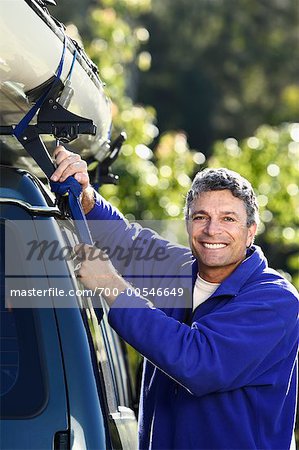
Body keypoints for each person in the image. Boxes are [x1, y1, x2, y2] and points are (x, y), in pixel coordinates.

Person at [51, 146, 298, 450]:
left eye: (229, 219)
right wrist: (85, 194)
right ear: (187, 223)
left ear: (251, 232)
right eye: (201, 216)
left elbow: (199, 362)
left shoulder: (274, 300)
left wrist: (110, 285)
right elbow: (123, 241)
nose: (212, 230)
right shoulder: (178, 270)